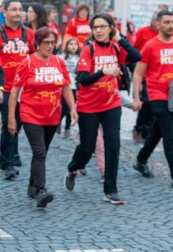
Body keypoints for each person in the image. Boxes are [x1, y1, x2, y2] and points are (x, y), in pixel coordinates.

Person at [64, 13, 141, 205]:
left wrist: (121, 39)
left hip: (111, 103)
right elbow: (82, 80)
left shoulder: (116, 47)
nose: (98, 30)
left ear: (110, 28)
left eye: (102, 26)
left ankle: (110, 190)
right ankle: (73, 167)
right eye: (95, 27)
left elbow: (136, 56)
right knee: (88, 146)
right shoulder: (88, 50)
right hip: (89, 106)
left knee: (113, 145)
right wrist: (102, 72)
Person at [8, 27, 76, 208]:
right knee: (39, 152)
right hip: (31, 114)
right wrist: (11, 118)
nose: (50, 46)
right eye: (46, 42)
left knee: (42, 152)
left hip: (53, 115)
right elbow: (15, 91)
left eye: (53, 43)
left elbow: (66, 87)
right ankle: (40, 190)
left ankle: (31, 185)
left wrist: (73, 108)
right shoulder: (27, 63)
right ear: (37, 44)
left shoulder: (59, 62)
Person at [132, 10, 173, 189]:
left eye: (172, 22)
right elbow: (138, 74)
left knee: (158, 131)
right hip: (157, 93)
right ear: (158, 24)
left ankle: (140, 160)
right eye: (166, 22)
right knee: (169, 133)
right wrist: (137, 97)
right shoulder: (150, 46)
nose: (170, 26)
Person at [0, 0, 33, 180]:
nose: (18, 13)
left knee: (17, 124)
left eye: (20, 9)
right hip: (5, 88)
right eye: (13, 9)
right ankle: (6, 163)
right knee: (8, 124)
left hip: (24, 88)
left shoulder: (29, 34)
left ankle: (11, 154)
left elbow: (36, 55)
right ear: (4, 12)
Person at [59, 38, 80, 137]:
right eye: (71, 44)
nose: (73, 46)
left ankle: (67, 128)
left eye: (75, 44)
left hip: (75, 86)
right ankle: (58, 123)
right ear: (67, 46)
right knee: (64, 108)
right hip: (64, 86)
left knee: (71, 108)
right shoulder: (62, 57)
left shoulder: (79, 58)